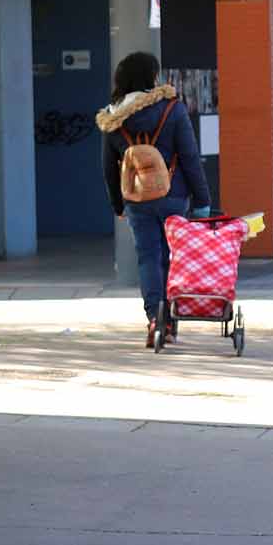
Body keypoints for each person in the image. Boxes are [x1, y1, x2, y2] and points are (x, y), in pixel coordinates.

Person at [97, 52, 212, 348]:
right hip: (174, 195)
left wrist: (118, 205)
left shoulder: (112, 118)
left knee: (148, 257)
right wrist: (203, 200)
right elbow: (189, 157)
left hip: (137, 198)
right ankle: (170, 321)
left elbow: (108, 167)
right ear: (151, 77)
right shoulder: (172, 109)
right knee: (172, 258)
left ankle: (153, 318)